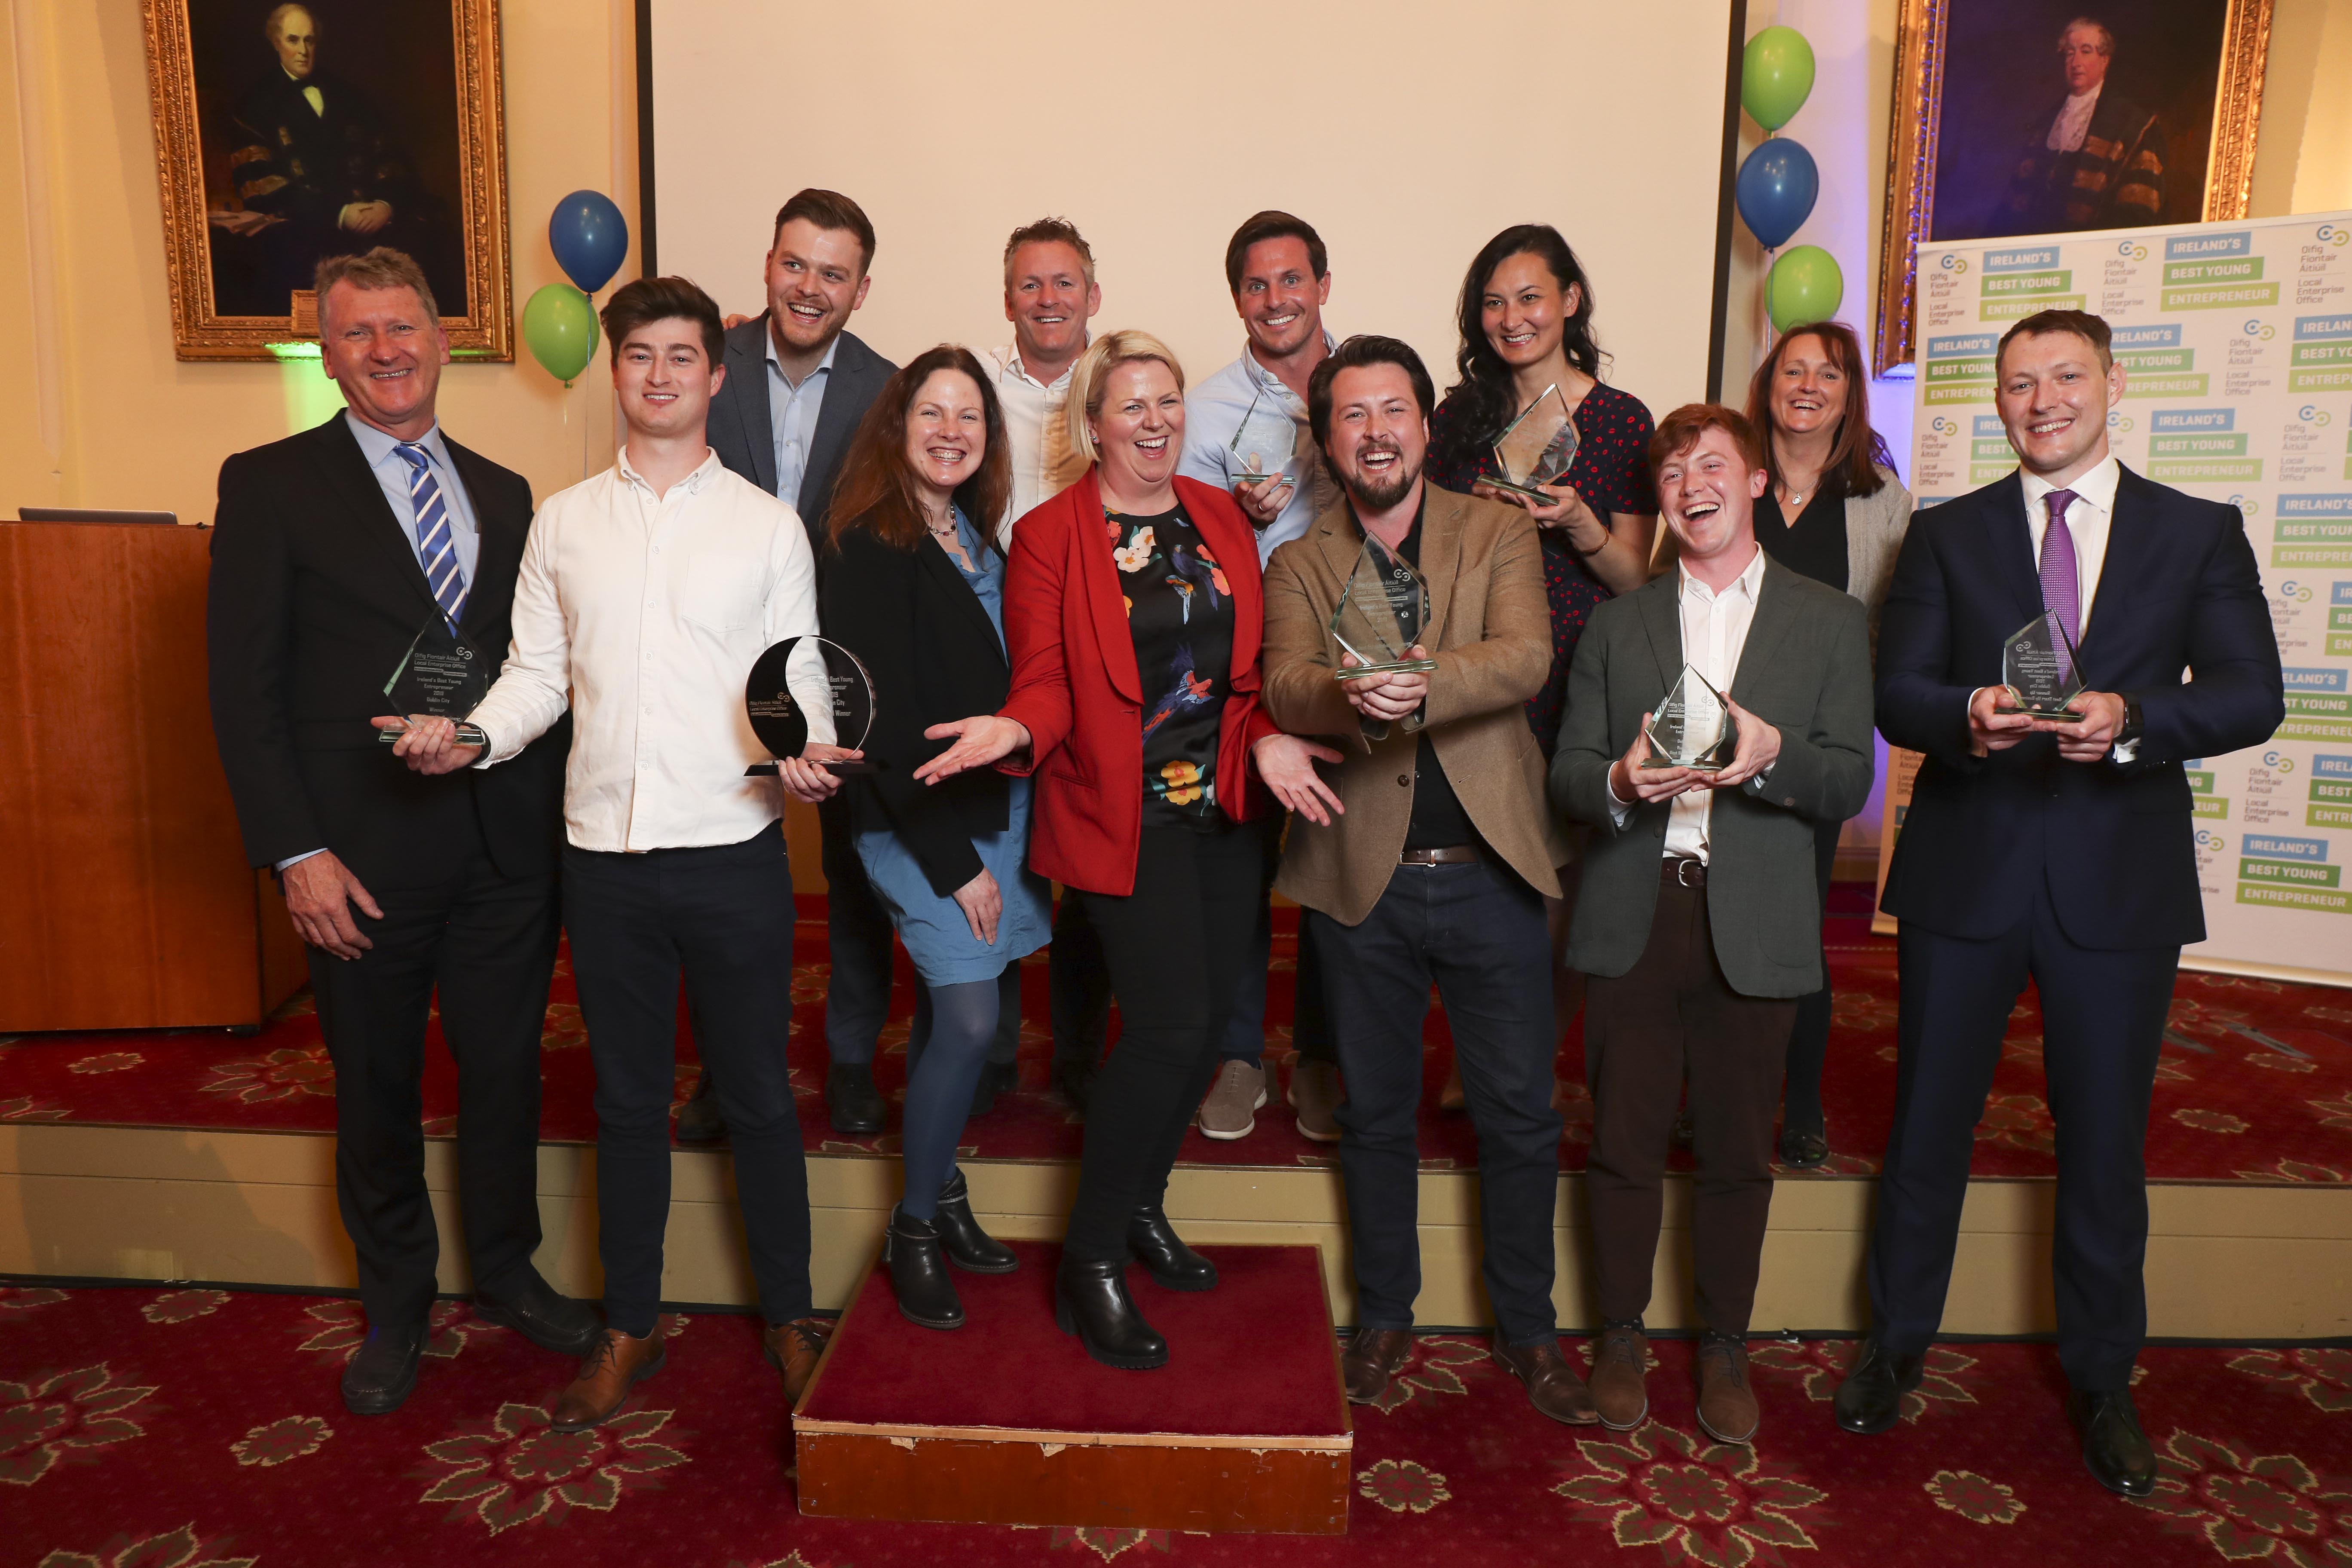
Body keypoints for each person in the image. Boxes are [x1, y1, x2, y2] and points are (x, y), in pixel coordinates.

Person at [1838, 310, 2282, 1495]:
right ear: (1998, 402)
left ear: (2112, 384)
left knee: (2103, 1146)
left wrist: (2136, 718)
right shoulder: (1948, 532)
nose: (2042, 401)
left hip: (2118, 881)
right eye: (2019, 383)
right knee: (1927, 1126)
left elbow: (2253, 695)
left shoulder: (2198, 533)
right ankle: (1895, 1346)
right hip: (1968, 869)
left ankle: (2101, 1377)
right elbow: (1899, 693)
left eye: (2065, 377)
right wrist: (1965, 717)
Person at [385, 276, 842, 1428]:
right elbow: (538, 677)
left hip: (736, 853)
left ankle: (791, 1317)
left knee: (758, 1100)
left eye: (682, 356)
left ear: (715, 375)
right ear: (616, 368)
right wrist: (478, 736)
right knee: (629, 1107)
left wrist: (816, 749)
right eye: (639, 354)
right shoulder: (565, 521)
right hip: (604, 861)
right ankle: (629, 1327)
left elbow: (800, 678)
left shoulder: (766, 525)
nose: (659, 375)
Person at [206, 247, 594, 1416]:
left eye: (405, 327)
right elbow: (243, 688)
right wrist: (293, 851)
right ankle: (397, 1303)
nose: (387, 350)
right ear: (328, 356)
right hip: (356, 859)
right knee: (375, 1088)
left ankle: (512, 1272)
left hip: (499, 853)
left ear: (442, 339)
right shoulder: (271, 484)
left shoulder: (507, 493)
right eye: (360, 333)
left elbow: (534, 670)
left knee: (505, 1077)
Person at [911, 331, 1341, 1370]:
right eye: (1131, 406)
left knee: (1200, 1045)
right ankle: (1090, 1261)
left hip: (1224, 812)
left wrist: (1272, 734)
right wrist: (1015, 729)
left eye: (1166, 402)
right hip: (1120, 816)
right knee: (1166, 1031)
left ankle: (1141, 1206)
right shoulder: (1051, 535)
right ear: (1092, 424)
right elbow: (1050, 680)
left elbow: (1244, 677)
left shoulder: (1216, 520)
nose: (1154, 421)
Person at [1260, 335, 1592, 1424]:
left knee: (1516, 1113)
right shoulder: (1301, 561)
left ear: (1421, 421)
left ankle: (1531, 1333)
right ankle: (1387, 1317)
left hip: (1494, 869)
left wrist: (1412, 681)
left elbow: (1524, 657)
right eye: (1350, 417)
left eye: (1390, 410)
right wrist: (1345, 701)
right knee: (1375, 1114)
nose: (1374, 433)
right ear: (1328, 440)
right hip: (1366, 882)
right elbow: (1288, 683)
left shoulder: (1492, 528)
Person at [1555, 404, 1874, 1445]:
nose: (1689, 483)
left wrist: (1773, 751)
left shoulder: (1824, 619)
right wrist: (1616, 777)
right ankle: (1616, 1333)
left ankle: (1724, 1344)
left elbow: (1843, 777)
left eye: (1710, 465)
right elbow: (1565, 773)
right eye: (1671, 471)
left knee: (1739, 1149)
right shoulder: (1617, 624)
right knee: (1623, 1143)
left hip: (1755, 914)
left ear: (1748, 484)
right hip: (1633, 910)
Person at [820, 346, 1046, 1327]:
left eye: (969, 417)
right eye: (931, 414)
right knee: (966, 1021)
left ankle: (941, 1186)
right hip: (919, 825)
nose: (950, 431)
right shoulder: (870, 543)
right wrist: (954, 869)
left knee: (953, 1014)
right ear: (896, 427)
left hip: (997, 812)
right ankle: (912, 1225)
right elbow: (882, 721)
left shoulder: (977, 538)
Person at [1425, 225, 1660, 1109]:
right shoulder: (1459, 419)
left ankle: (1516, 1064)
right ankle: (1479, 1055)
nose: (1511, 317)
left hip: (1583, 673)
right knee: (1490, 874)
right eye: (1494, 300)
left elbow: (1637, 576)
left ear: (1569, 301)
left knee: (1571, 879)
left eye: (1530, 296)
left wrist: (1576, 523)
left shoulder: (1621, 419)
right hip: (1483, 665)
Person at [698, 188, 903, 1141]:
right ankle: (728, 1069)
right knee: (723, 879)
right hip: (712, 659)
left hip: (838, 663)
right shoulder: (707, 361)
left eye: (833, 272)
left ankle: (852, 1059)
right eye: (795, 264)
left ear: (861, 289)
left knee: (857, 875)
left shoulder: (887, 391)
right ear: (768, 264)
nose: (809, 287)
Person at [1176, 210, 1344, 1142]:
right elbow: (1179, 557)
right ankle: (1240, 1051)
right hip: (1242, 661)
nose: (1276, 299)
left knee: (1334, 858)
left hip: (1349, 660)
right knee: (1237, 860)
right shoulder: (1201, 411)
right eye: (1255, 284)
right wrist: (1234, 522)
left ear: (1322, 284)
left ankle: (1319, 1052)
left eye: (1292, 280)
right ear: (1236, 297)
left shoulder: (1373, 385)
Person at [1741, 320, 1914, 1169]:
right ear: (1769, 382)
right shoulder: (1729, 473)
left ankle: (1800, 1098)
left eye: (1831, 374)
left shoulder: (1882, 499)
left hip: (1811, 750)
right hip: (1714, 736)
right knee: (1703, 921)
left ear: (1851, 395)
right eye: (1795, 369)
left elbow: (1886, 626)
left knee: (1794, 930)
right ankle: (1712, 1095)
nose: (1809, 384)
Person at [977, 217, 1113, 1115]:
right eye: (1032, 284)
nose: (1049, 300)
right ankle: (987, 1053)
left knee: (1090, 858)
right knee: (999, 843)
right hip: (993, 632)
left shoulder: (1120, 386)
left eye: (1065, 284)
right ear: (1009, 299)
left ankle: (1077, 1053)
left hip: (1100, 637)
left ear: (1092, 298)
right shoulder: (973, 388)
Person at [218, 6, 457, 317]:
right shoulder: (253, 107)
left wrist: (386, 205)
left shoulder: (351, 97)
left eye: (310, 40)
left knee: (437, 244)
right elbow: (261, 186)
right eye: (293, 40)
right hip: (307, 225)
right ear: (275, 42)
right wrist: (341, 213)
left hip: (376, 223)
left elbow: (393, 161)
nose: (303, 51)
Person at [1997, 17, 2164, 235]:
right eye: (2069, 53)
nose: (2075, 62)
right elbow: (2014, 205)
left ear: (2105, 60)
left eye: (2086, 52)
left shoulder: (2134, 124)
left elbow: (2138, 215)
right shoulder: (2045, 124)